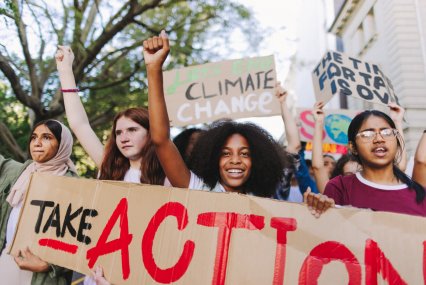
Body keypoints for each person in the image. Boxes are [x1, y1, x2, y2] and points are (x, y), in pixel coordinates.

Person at [143, 30, 286, 197]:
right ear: (212, 159)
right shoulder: (198, 189)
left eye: (244, 153)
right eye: (225, 153)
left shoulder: (264, 202)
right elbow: (161, 140)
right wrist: (153, 69)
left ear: (257, 161)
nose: (235, 160)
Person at [55, 46, 166, 185]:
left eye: (132, 130)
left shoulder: (170, 174)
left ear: (150, 132)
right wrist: (65, 71)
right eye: (118, 133)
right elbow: (79, 124)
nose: (123, 138)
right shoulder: (110, 170)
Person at [307, 109, 426, 217]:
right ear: (353, 147)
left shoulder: (419, 193)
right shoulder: (340, 188)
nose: (379, 139)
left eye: (386, 133)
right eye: (367, 135)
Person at [0, 120, 78, 285]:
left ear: (62, 145)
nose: (37, 143)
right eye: (34, 137)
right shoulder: (22, 171)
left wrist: (48, 265)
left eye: (47, 137)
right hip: (7, 260)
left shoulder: (74, 186)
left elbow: (79, 241)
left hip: (41, 276)